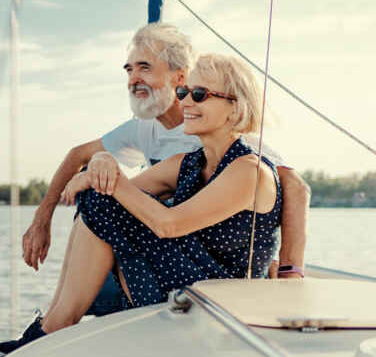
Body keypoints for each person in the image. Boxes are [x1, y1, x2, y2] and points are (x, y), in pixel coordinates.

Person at [0, 52, 284, 355]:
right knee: (100, 198)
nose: (185, 102)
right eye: (183, 92)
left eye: (199, 94)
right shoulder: (188, 163)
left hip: (223, 300)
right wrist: (99, 165)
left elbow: (169, 225)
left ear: (235, 107)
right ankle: (55, 322)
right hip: (189, 284)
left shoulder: (249, 171)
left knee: (104, 196)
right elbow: (114, 197)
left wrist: (107, 174)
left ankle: (55, 326)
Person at [21, 24, 309, 317]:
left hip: (211, 274)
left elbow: (294, 187)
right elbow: (80, 157)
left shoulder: (240, 146)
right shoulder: (157, 136)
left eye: (144, 67)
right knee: (98, 201)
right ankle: (54, 320)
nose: (133, 78)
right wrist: (43, 219)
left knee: (103, 213)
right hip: (177, 253)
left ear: (178, 76)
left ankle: (60, 320)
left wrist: (289, 271)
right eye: (129, 70)